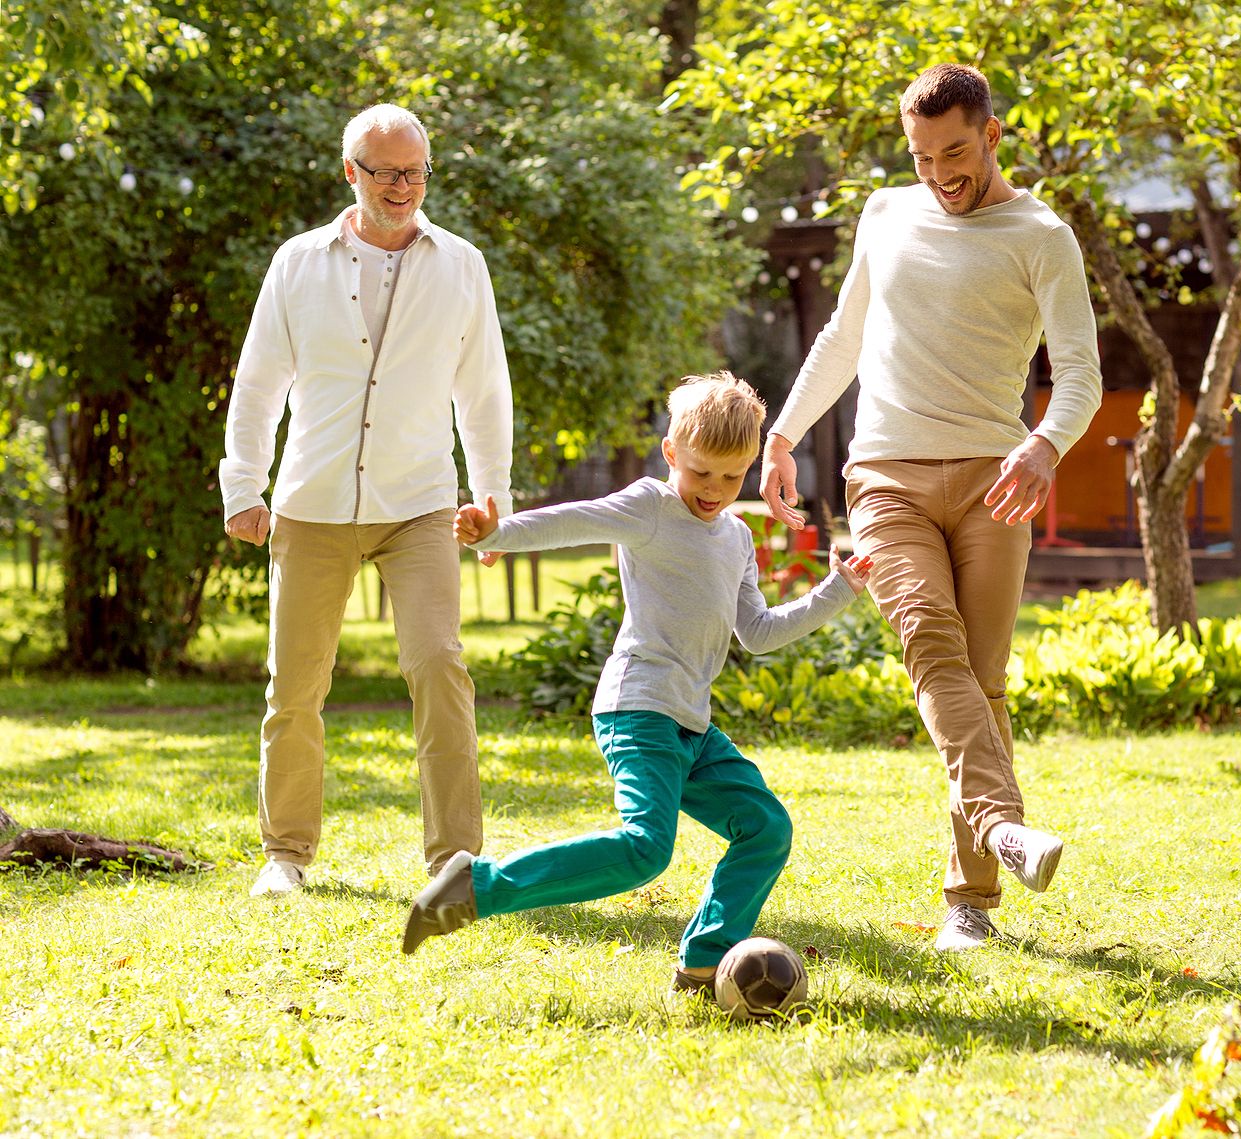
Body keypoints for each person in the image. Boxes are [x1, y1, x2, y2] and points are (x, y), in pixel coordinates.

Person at [760, 64, 1104, 951]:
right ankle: (1002, 829)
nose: (939, 173)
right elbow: (844, 336)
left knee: (981, 685)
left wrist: (1042, 444)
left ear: (992, 136)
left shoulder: (1042, 237)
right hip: (885, 477)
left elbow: (1082, 375)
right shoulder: (887, 213)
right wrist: (785, 432)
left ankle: (971, 903)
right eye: (920, 156)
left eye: (954, 152)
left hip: (994, 479)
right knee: (931, 644)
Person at [401, 373, 874, 992]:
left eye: (732, 478)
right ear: (672, 453)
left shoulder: (736, 537)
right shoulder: (650, 507)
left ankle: (706, 958)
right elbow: (576, 521)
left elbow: (756, 631)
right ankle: (475, 886)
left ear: (751, 464)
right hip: (640, 710)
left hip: (692, 727)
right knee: (645, 849)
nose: (714, 490)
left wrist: (837, 591)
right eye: (701, 472)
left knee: (765, 829)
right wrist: (496, 534)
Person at [219, 103, 513, 896]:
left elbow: (483, 390)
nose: (403, 186)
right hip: (312, 503)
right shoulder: (298, 263)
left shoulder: (462, 264)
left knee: (439, 666)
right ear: (351, 172)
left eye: (415, 171)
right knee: (295, 683)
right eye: (385, 172)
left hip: (418, 500)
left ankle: (455, 859)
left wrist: (493, 495)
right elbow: (257, 385)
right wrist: (243, 485)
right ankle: (285, 854)